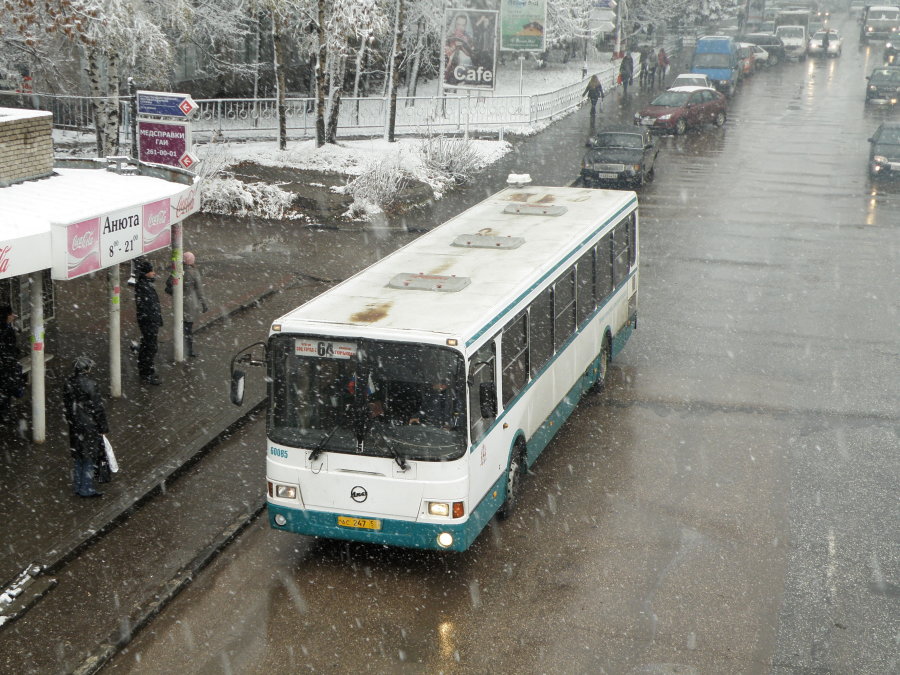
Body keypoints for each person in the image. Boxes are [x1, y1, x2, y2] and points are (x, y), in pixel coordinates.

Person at [63, 357, 109, 498]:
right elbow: (98, 408)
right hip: (89, 425)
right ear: (86, 369)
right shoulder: (91, 384)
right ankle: (86, 488)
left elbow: (67, 405)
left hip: (75, 424)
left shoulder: (68, 383)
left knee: (78, 456)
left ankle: (78, 485)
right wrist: (103, 426)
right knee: (89, 456)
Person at [134, 257, 162, 385]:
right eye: (151, 271)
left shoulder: (144, 285)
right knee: (150, 347)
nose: (154, 273)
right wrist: (153, 320)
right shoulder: (143, 287)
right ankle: (147, 372)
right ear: (146, 273)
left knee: (148, 346)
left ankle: (145, 370)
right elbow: (148, 307)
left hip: (150, 322)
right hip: (149, 322)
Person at [181, 252, 209, 358]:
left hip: (180, 302)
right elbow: (200, 290)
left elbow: (169, 284)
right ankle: (189, 350)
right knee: (188, 327)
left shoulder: (179, 271)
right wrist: (204, 304)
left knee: (183, 326)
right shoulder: (193, 272)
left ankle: (181, 346)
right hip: (190, 303)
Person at [0, 305, 24, 417]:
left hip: (7, 363)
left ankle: (5, 411)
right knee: (7, 388)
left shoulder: (7, 327)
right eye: (10, 314)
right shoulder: (5, 329)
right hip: (6, 364)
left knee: (6, 388)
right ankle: (4, 412)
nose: (12, 316)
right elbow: (7, 346)